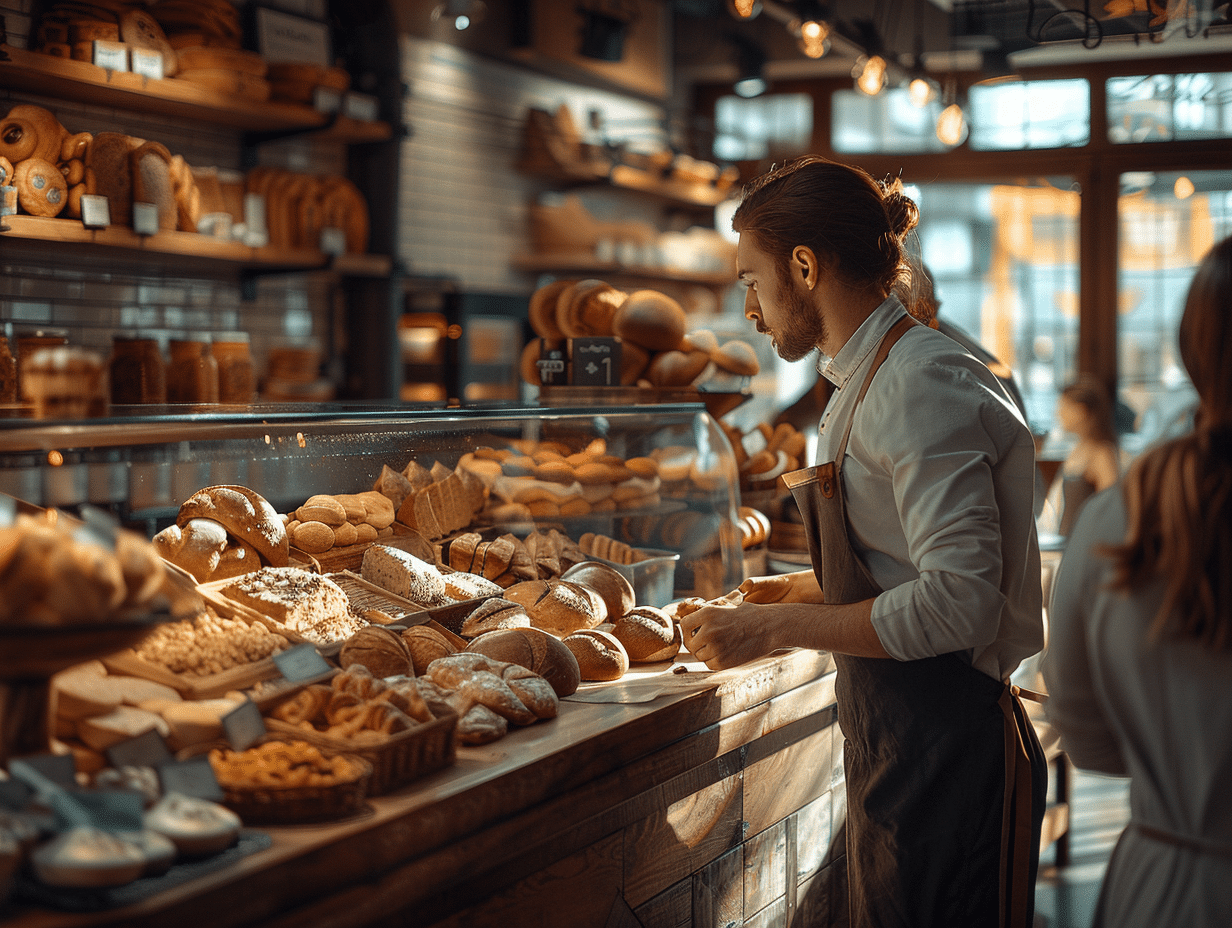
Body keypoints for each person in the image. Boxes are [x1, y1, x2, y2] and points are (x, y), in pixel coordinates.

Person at [678, 155, 1046, 928]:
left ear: (804, 267)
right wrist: (797, 590)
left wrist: (774, 628)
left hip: (947, 760)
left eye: (752, 281)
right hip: (900, 750)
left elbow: (961, 604)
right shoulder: (866, 378)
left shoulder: (919, 384)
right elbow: (905, 566)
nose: (749, 309)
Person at [1042, 234, 1232, 928]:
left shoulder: (1123, 514)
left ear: (1194, 349)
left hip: (1168, 882)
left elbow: (1083, 731)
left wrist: (1177, 768)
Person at [1045, 375, 1121, 536]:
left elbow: (1111, 507)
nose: (1058, 413)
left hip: (1086, 542)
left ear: (1081, 411)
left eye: (1064, 407)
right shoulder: (1079, 448)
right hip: (1068, 539)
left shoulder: (1101, 453)